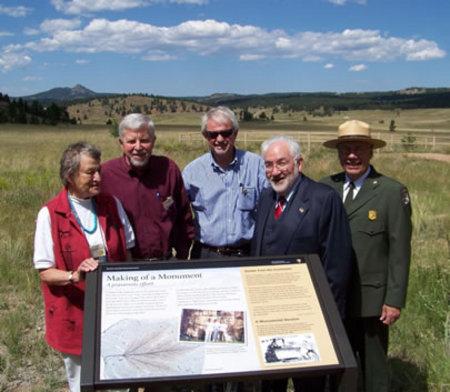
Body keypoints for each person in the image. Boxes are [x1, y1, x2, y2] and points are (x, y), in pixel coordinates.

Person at [252, 136, 353, 392]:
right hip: (268, 316)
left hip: (308, 319)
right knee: (270, 384)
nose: (275, 172)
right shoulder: (265, 199)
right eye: (269, 165)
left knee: (309, 385)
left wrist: (329, 324)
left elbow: (336, 269)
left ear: (299, 163)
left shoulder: (323, 200)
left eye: (281, 163)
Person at [33, 142, 135, 392]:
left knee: (118, 376)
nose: (99, 177)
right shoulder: (50, 214)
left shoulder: (112, 205)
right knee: (82, 380)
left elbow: (128, 254)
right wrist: (73, 275)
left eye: (99, 170)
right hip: (75, 313)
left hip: (115, 311)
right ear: (70, 175)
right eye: (90, 172)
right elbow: (45, 271)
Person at [321, 120, 412, 392]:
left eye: (359, 148)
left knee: (374, 369)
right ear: (338, 153)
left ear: (371, 152)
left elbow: (399, 251)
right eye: (346, 149)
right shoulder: (326, 188)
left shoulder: (390, 191)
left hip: (373, 300)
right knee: (338, 364)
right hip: (334, 297)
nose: (352, 155)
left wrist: (394, 299)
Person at [101, 113, 195, 260]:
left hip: (166, 264)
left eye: (144, 140)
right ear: (121, 143)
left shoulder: (168, 169)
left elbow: (184, 217)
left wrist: (182, 257)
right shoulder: (106, 175)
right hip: (126, 266)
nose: (138, 147)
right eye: (131, 141)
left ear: (154, 141)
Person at [183, 106, 267, 259]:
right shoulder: (192, 172)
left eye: (225, 133)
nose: (219, 139)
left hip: (247, 253)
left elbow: (272, 208)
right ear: (205, 136)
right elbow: (178, 212)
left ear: (235, 133)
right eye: (213, 134)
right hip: (206, 255)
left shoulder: (256, 166)